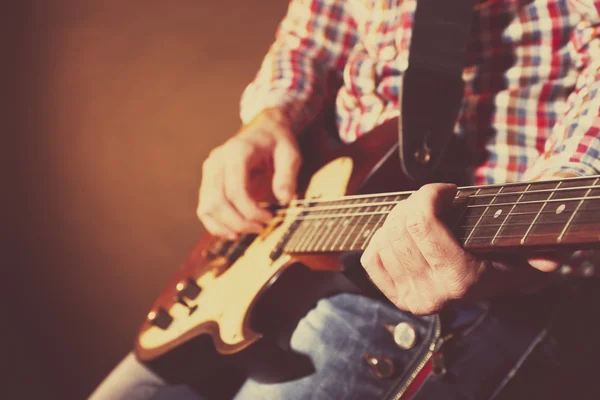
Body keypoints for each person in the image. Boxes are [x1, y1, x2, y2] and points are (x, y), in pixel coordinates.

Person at [90, 0, 600, 399]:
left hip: (478, 275)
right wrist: (272, 116)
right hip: (303, 213)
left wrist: (565, 179)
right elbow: (312, 33)